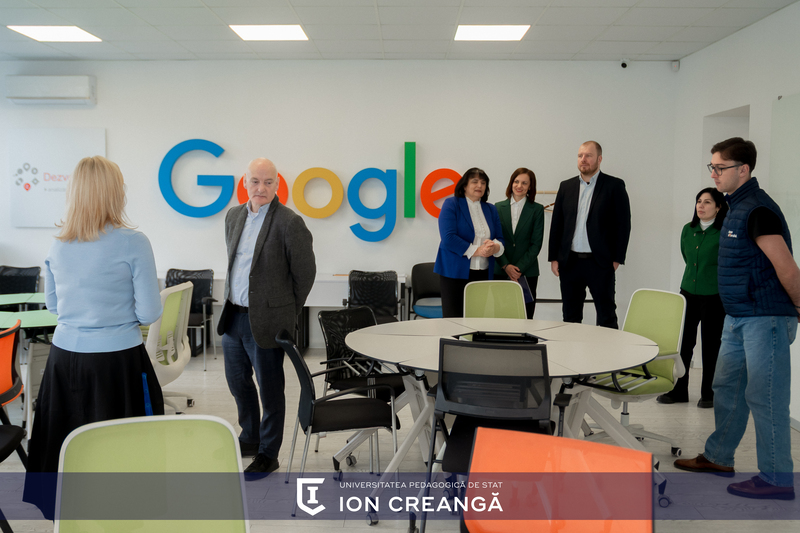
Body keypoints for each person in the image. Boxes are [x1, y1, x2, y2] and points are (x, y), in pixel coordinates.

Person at [24, 155, 165, 517]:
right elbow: (150, 313)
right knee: (123, 444)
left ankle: (68, 512)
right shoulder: (133, 242)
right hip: (118, 361)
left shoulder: (58, 244)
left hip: (64, 359)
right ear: (114, 193)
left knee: (66, 437)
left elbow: (54, 305)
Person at [675, 138, 800, 501]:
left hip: (765, 318)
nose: (714, 173)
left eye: (720, 167)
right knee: (726, 388)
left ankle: (777, 480)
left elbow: (786, 267)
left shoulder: (758, 209)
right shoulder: (734, 207)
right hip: (738, 316)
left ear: (743, 170)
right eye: (712, 167)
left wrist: (797, 306)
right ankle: (718, 456)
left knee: (766, 397)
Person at [217, 157, 316, 475]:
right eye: (255, 181)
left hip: (267, 322)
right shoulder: (233, 216)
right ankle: (250, 436)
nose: (261, 188)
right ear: (245, 182)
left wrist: (286, 312)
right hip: (234, 316)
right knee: (237, 382)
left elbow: (305, 274)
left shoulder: (289, 222)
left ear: (277, 184)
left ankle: (268, 453)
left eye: (268, 182)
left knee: (270, 389)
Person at [548, 141, 631, 329]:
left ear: (599, 159)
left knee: (606, 316)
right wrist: (554, 257)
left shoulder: (614, 185)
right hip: (570, 263)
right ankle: (571, 349)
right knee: (570, 317)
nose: (583, 159)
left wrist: (617, 259)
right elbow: (557, 224)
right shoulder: (566, 186)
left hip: (600, 263)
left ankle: (608, 349)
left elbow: (623, 224)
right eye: (580, 155)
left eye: (588, 155)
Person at [657, 188, 728, 408]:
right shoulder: (688, 230)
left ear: (718, 207)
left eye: (707, 202)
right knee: (683, 343)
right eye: (699, 201)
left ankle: (709, 394)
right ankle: (679, 391)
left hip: (713, 295)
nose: (701, 206)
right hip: (688, 292)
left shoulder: (724, 232)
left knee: (711, 345)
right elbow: (687, 257)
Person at [434, 168, 504, 318]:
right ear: (464, 185)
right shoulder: (451, 204)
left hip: (483, 272)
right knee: (454, 320)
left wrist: (495, 248)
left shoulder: (491, 209)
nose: (479, 185)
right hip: (454, 273)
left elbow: (500, 238)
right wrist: (478, 251)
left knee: (477, 319)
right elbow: (448, 237)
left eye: (483, 183)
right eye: (475, 181)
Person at [494, 167, 545, 319]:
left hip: (527, 272)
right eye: (516, 181)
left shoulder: (537, 209)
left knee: (525, 315)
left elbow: (536, 244)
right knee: (500, 315)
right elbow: (495, 240)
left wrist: (518, 269)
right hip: (501, 270)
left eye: (524, 183)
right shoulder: (497, 207)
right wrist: (506, 266)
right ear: (511, 183)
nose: (519, 186)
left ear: (530, 187)